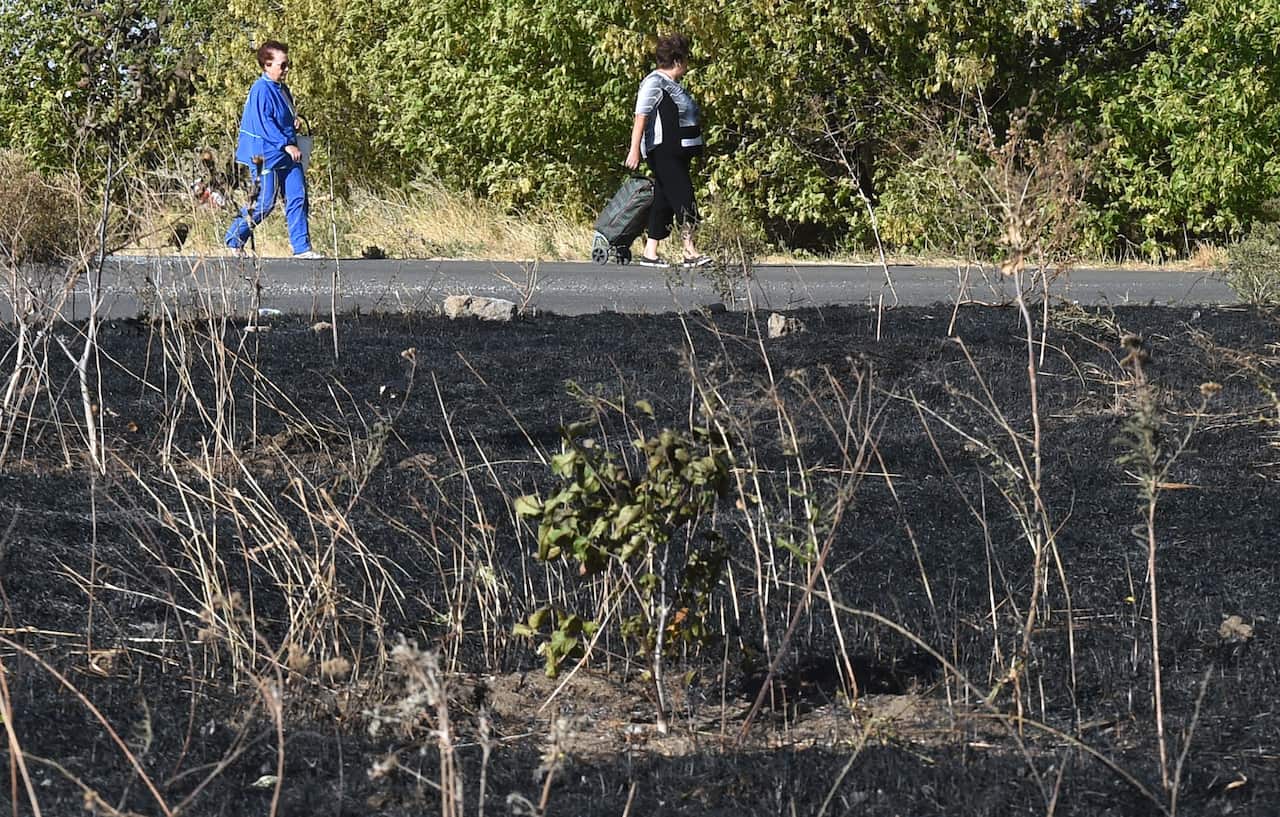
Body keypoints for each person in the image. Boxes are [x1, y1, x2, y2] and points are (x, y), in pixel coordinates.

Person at [223, 40, 321, 258]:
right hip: (266, 154)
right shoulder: (260, 89)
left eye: (288, 64)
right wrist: (285, 144)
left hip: (288, 152)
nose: (286, 69)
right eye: (282, 65)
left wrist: (293, 122)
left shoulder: (282, 88)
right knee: (264, 203)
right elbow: (263, 123)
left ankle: (302, 248)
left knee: (298, 197)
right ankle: (234, 239)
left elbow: (281, 115)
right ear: (266, 65)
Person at [624, 33, 711, 269]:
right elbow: (640, 116)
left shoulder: (672, 85)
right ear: (678, 60)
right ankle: (689, 251)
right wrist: (634, 150)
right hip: (664, 151)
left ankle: (650, 253)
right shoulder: (655, 82)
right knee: (685, 197)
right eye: (686, 58)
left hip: (677, 152)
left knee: (663, 201)